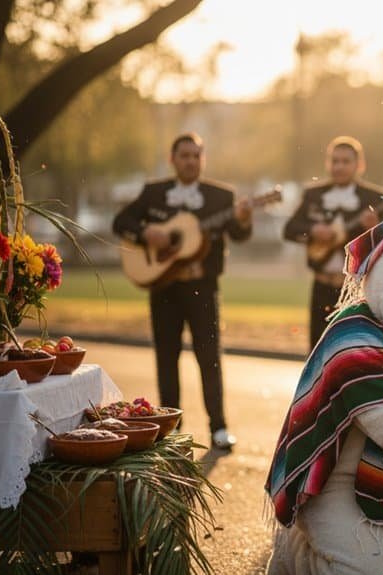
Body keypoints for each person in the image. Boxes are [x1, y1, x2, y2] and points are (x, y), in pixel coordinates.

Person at [113, 132, 252, 451]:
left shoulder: (222, 196)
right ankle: (172, 429)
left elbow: (239, 234)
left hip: (203, 288)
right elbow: (121, 221)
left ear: (203, 159)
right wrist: (146, 232)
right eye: (184, 155)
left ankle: (219, 427)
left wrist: (244, 218)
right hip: (164, 287)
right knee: (166, 357)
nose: (190, 161)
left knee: (209, 358)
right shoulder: (154, 193)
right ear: (172, 159)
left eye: (196, 155)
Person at [283, 137, 383, 349]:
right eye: (335, 161)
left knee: (354, 350)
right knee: (317, 349)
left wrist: (375, 228)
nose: (339, 166)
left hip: (357, 290)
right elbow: (289, 230)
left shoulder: (376, 198)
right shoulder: (313, 195)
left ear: (359, 165)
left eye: (345, 161)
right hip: (321, 286)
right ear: (327, 163)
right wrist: (312, 230)